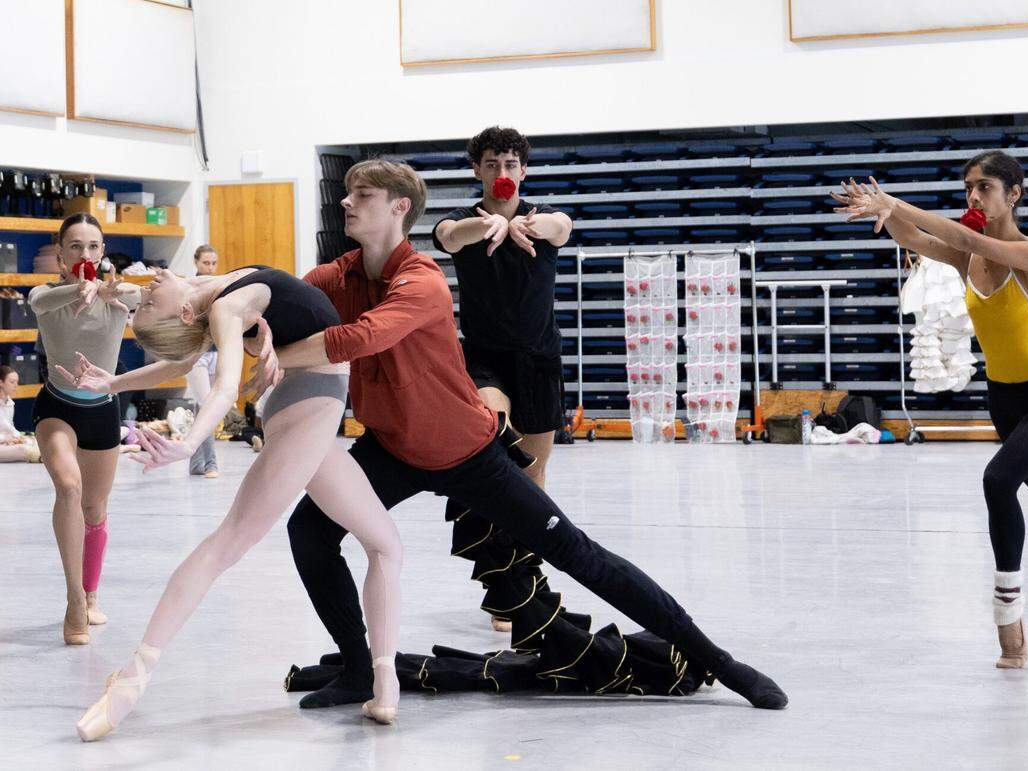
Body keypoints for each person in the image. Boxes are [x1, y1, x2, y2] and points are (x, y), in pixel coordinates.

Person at [258, 159, 787, 712]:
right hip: (391, 448)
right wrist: (215, 304)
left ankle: (723, 663)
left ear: (398, 208)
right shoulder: (338, 276)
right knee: (310, 531)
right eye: (346, 193)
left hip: (468, 453)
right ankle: (360, 669)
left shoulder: (422, 281)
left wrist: (275, 359)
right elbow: (278, 293)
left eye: (361, 195)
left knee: (578, 554)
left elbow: (362, 337)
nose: (346, 202)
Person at [69, 263, 402, 741]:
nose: (148, 290)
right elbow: (223, 385)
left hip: (309, 407)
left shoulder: (212, 296)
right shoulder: (226, 306)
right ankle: (133, 679)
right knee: (226, 544)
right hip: (309, 408)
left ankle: (384, 685)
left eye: (143, 301)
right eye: (147, 303)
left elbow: (182, 358)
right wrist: (189, 443)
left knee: (385, 543)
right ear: (183, 312)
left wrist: (111, 383)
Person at [834, 151, 1028, 668]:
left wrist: (895, 200)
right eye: (969, 187)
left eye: (984, 187)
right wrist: (882, 213)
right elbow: (917, 240)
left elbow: (963, 238)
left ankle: (1010, 627)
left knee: (997, 480)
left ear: (1014, 193)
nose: (973, 197)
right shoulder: (971, 260)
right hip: (1006, 400)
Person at [432, 127, 572, 632]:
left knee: (532, 478)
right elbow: (448, 237)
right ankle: (498, 581)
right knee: (496, 448)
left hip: (539, 360)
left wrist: (527, 228)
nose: (503, 173)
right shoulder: (461, 223)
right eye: (492, 164)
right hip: (485, 361)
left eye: (511, 164)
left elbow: (563, 225)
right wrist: (488, 227)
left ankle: (523, 585)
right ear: (477, 170)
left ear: (524, 170)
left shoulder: (543, 220)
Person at [30, 213, 139, 645]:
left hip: (102, 412)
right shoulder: (45, 294)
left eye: (93, 246)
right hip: (57, 408)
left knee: (95, 509)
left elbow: (135, 295)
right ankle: (74, 600)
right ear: (60, 255)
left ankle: (92, 594)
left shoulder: (119, 297)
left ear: (103, 252)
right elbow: (42, 304)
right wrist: (80, 288)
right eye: (74, 247)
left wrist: (113, 292)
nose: (84, 255)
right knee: (69, 489)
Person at [186, 244, 222, 477]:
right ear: (196, 263)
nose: (210, 267)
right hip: (197, 354)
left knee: (203, 407)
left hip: (215, 353)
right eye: (206, 263)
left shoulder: (220, 286)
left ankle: (195, 463)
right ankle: (211, 463)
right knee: (208, 405)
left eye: (213, 263)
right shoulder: (190, 288)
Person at [0, 365, 40, 462]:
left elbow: (10, 426)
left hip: (6, 442)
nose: (15, 385)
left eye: (16, 382)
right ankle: (43, 456)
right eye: (12, 382)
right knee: (22, 449)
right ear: (1, 382)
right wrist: (5, 439)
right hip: (3, 442)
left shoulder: (10, 403)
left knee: (33, 440)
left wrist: (17, 437)